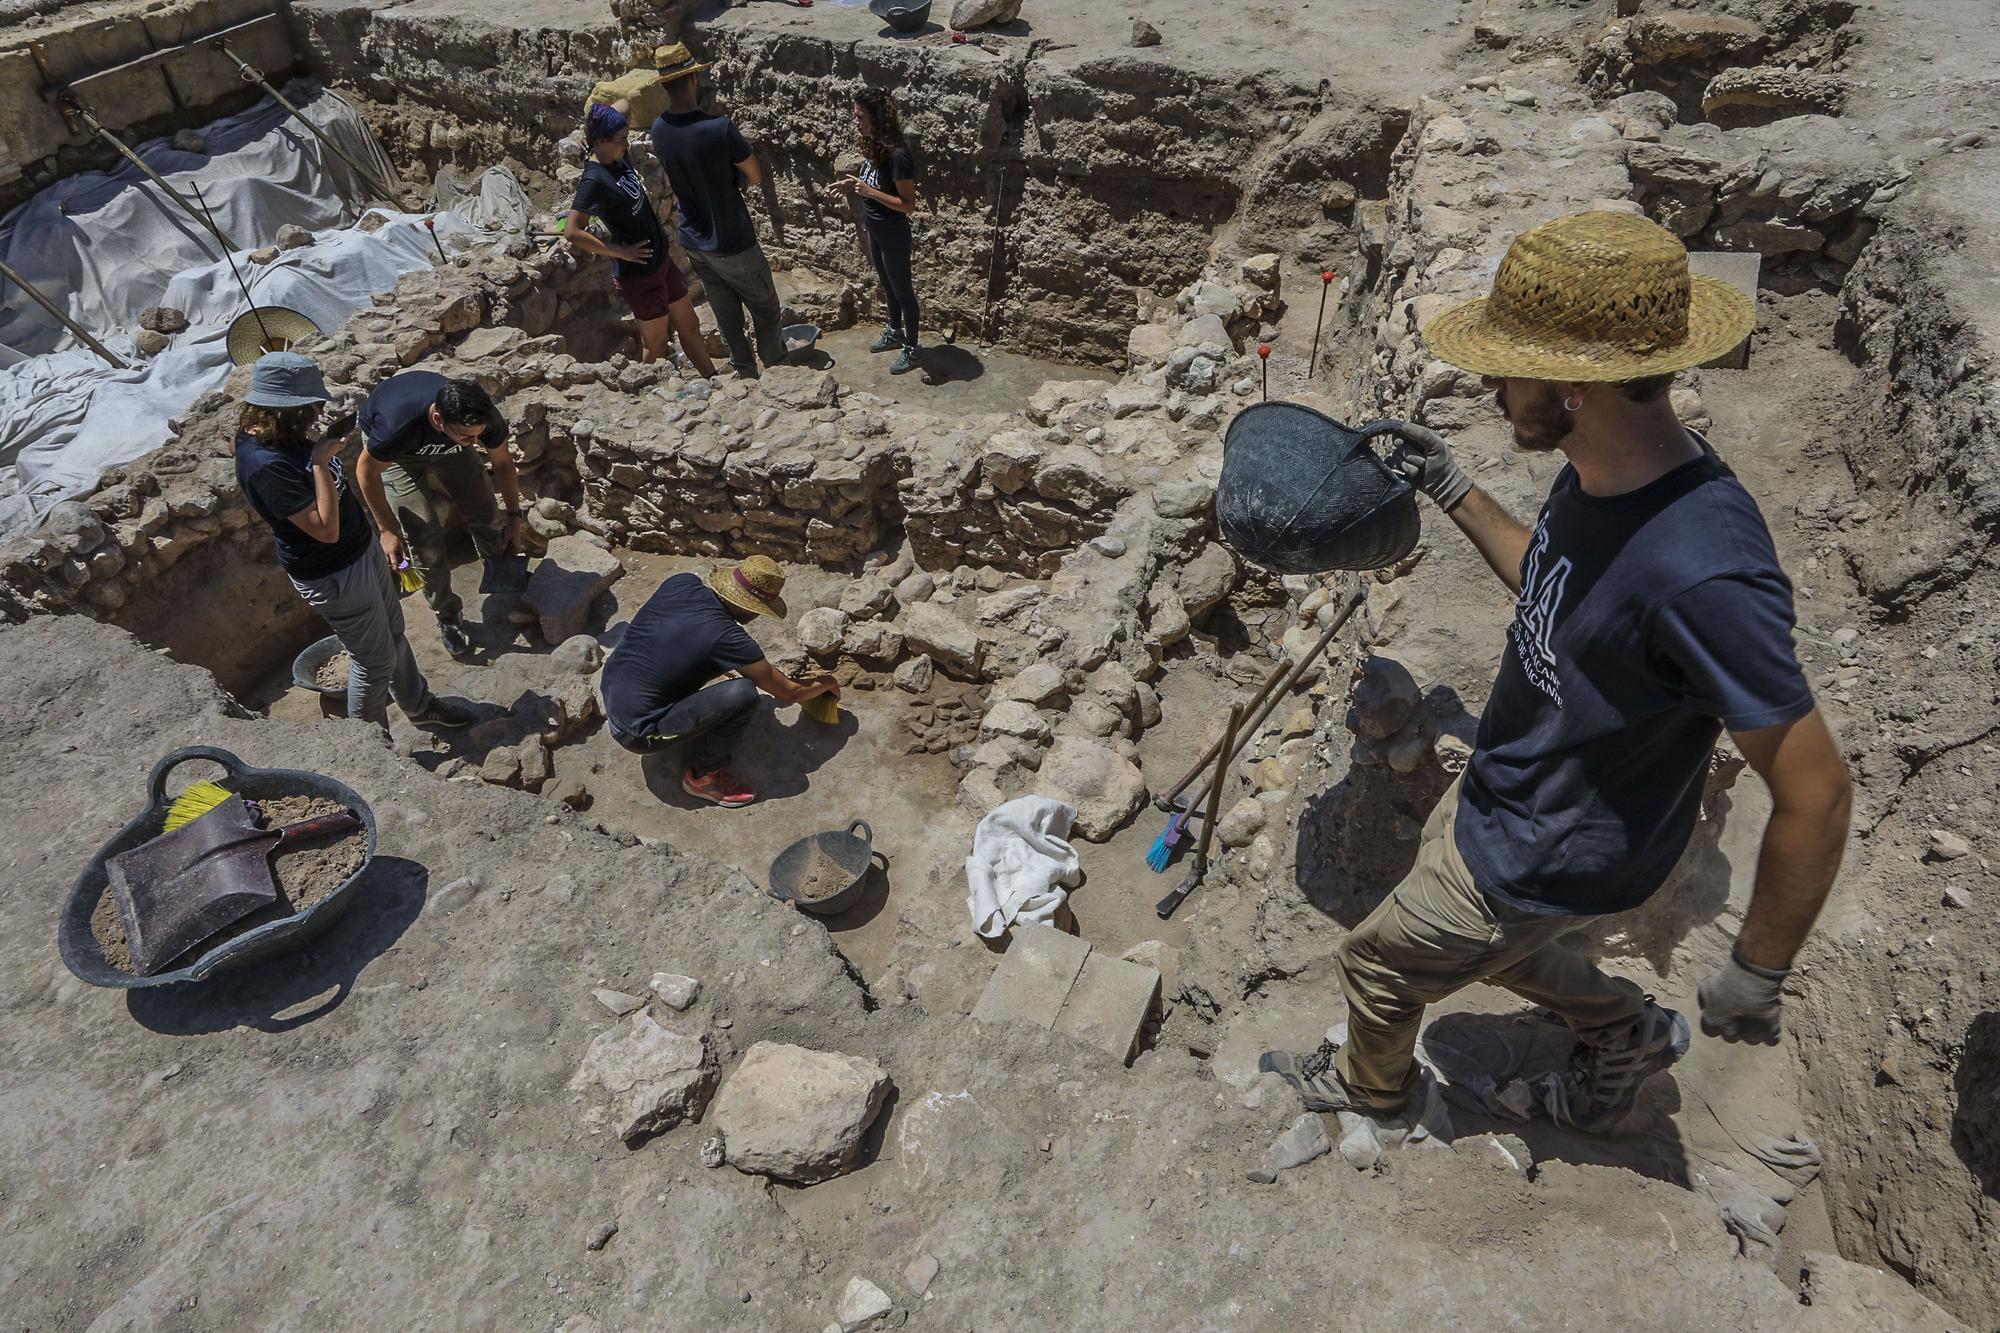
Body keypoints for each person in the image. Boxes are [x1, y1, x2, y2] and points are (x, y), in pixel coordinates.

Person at [1261, 211, 1853, 1134]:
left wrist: (1757, 968)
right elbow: (1554, 583)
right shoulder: (1610, 470)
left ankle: (1372, 1091)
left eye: (1509, 365)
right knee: (1498, 947)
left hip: (1552, 849)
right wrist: (1454, 486)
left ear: (1577, 386)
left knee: (1376, 964)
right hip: (1514, 793)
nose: (1491, 383)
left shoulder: (1705, 571)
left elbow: (1816, 790)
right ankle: (1626, 1030)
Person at [232, 352, 476, 731]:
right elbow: (324, 529)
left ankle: (419, 705)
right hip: (333, 573)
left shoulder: (286, 437)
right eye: (308, 406)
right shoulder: (265, 464)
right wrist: (319, 462)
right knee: (374, 660)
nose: (315, 412)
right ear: (282, 409)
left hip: (360, 550)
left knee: (394, 633)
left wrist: (381, 532)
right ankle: (370, 744)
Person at [600, 555, 839, 808]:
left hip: (612, 685)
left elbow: (677, 639)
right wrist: (826, 682)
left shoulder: (682, 583)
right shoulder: (729, 638)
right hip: (636, 731)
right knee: (744, 694)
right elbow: (788, 693)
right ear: (751, 606)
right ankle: (703, 778)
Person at [352, 370, 521, 659]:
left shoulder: (478, 419)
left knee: (485, 510)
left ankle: (500, 577)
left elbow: (503, 464)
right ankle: (447, 614)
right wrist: (387, 530)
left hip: (448, 448)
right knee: (423, 536)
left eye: (478, 435)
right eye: (469, 436)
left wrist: (515, 517)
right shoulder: (395, 427)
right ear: (439, 419)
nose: (475, 441)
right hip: (401, 457)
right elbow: (365, 473)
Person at [648, 43, 788, 378]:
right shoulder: (720, 128)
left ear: (665, 85)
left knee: (727, 316)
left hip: (695, 242)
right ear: (695, 78)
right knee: (766, 310)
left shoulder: (659, 130)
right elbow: (753, 176)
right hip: (732, 238)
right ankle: (779, 373)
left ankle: (744, 372)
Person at [566, 100, 718, 376]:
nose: (627, 145)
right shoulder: (594, 179)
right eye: (622, 139)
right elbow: (572, 231)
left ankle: (713, 379)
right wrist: (619, 252)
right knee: (656, 344)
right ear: (603, 140)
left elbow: (623, 103)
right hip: (638, 274)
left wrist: (587, 129)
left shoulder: (615, 156)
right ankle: (649, 390)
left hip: (661, 260)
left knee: (690, 325)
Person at [834, 88, 921, 375]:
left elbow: (908, 205)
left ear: (876, 117)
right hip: (876, 229)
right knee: (887, 284)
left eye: (859, 116)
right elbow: (874, 184)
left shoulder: (897, 156)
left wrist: (868, 190)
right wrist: (855, 184)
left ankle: (912, 348)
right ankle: (894, 331)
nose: (854, 121)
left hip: (893, 233)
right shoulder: (875, 145)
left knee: (903, 291)